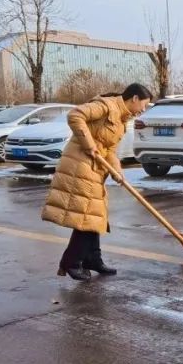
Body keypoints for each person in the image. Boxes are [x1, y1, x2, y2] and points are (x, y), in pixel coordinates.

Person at [42, 83, 153, 281]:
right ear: (134, 98)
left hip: (95, 169)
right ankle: (70, 262)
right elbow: (75, 115)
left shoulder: (121, 120)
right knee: (87, 215)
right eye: (144, 104)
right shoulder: (106, 106)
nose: (143, 109)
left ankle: (92, 259)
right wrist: (89, 144)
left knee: (95, 214)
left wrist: (117, 171)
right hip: (80, 165)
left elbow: (110, 151)